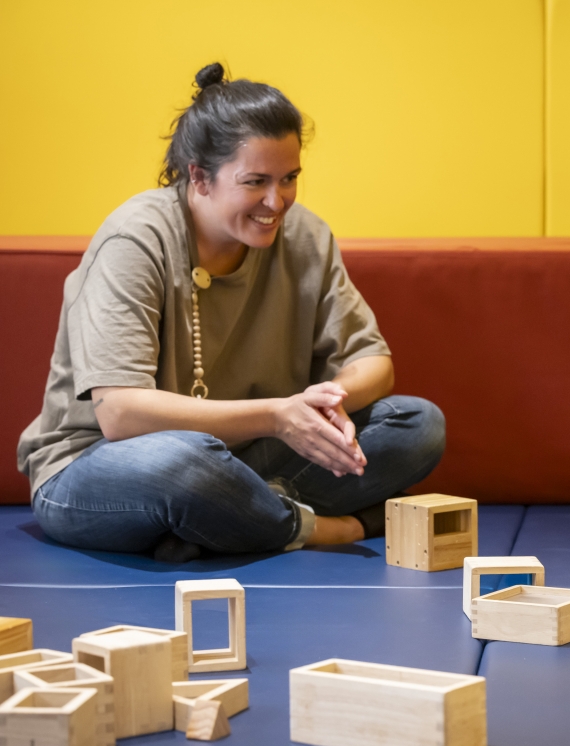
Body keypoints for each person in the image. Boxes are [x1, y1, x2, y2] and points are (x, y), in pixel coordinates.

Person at [16, 63, 445, 562]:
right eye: (255, 181)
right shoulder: (134, 238)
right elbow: (120, 414)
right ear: (199, 176)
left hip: (241, 457)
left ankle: (223, 520)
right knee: (185, 463)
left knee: (417, 424)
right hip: (100, 467)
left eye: (289, 178)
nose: (276, 201)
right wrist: (277, 418)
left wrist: (324, 405)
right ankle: (326, 529)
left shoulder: (306, 236)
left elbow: (374, 362)